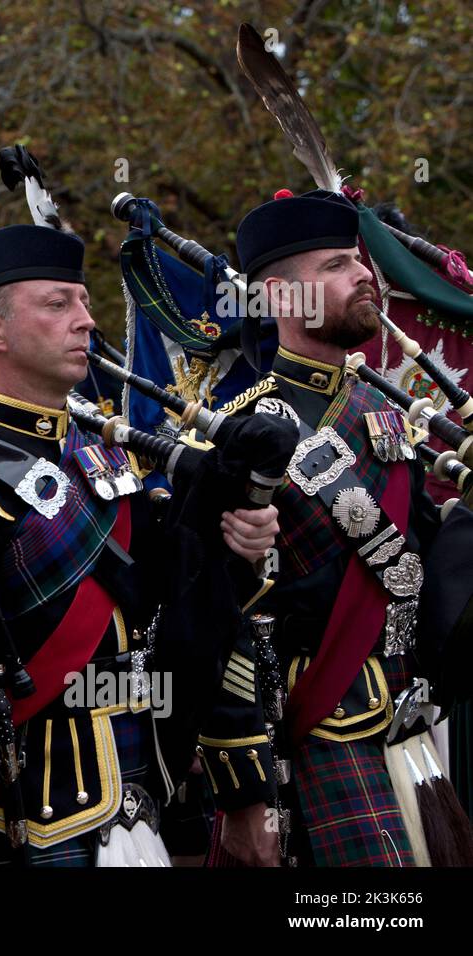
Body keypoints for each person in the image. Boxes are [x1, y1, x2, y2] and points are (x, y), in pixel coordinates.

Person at [0, 220, 280, 866]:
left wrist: (234, 550)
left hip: (139, 787)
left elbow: (178, 606)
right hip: (21, 808)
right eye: (57, 304)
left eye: (86, 303)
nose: (86, 322)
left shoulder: (104, 459)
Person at [201, 188, 473, 867]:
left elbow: (426, 569)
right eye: (336, 264)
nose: (364, 276)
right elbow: (212, 619)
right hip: (316, 727)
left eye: (360, 260)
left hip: (412, 725)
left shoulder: (386, 414)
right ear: (278, 299)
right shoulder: (241, 432)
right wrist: (245, 792)